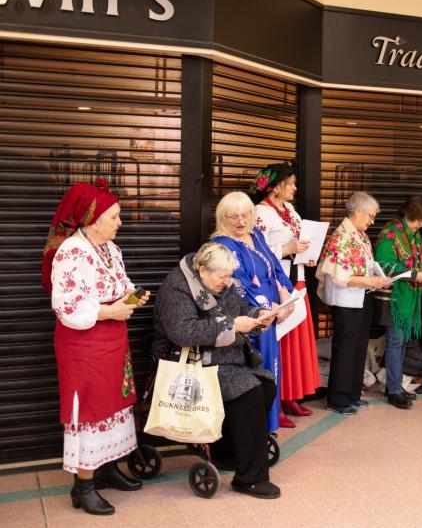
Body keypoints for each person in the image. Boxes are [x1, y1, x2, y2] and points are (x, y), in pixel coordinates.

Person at [43, 178, 149, 516]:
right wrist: (109, 310)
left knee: (114, 403)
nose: (120, 222)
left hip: (112, 340)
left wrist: (131, 297)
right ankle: (83, 486)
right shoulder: (72, 252)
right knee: (89, 410)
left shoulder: (110, 249)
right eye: (115, 216)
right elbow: (66, 306)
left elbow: (121, 283)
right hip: (83, 344)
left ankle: (106, 469)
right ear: (92, 219)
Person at [152, 242, 281, 499]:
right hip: (188, 360)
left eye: (229, 275)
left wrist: (258, 314)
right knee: (249, 393)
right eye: (222, 277)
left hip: (221, 356)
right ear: (202, 270)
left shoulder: (221, 278)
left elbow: (240, 307)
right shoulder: (177, 287)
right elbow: (182, 332)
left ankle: (228, 454)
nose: (227, 281)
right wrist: (233, 326)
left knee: (266, 386)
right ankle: (250, 479)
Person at [211, 191, 294, 432]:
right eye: (233, 216)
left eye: (245, 215)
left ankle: (267, 428)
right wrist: (267, 310)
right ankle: (254, 432)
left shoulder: (256, 235)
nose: (240, 221)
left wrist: (285, 295)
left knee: (270, 370)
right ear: (222, 218)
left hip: (271, 316)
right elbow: (237, 284)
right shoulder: (221, 246)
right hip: (250, 319)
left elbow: (276, 268)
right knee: (255, 374)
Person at [251, 163, 321, 428]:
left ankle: (291, 395)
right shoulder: (260, 212)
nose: (294, 188)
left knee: (295, 341)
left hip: (297, 278)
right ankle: (276, 401)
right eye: (290, 183)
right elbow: (257, 248)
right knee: (279, 344)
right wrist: (287, 248)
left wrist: (307, 253)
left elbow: (301, 240)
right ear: (276, 186)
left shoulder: (290, 210)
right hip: (276, 284)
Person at [316, 192, 391, 414]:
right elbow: (340, 277)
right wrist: (371, 280)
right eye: (370, 216)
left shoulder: (360, 235)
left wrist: (377, 277)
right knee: (345, 349)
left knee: (358, 348)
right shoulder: (341, 237)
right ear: (358, 211)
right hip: (346, 300)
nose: (372, 221)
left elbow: (366, 264)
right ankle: (337, 399)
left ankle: (352, 392)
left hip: (362, 296)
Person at [374, 196, 422, 409]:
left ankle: (396, 385)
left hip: (408, 297)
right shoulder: (390, 233)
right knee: (395, 342)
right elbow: (383, 264)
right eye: (417, 221)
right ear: (409, 215)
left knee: (400, 343)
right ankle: (393, 390)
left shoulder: (414, 234)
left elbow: (420, 262)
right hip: (394, 298)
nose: (420, 225)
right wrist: (413, 275)